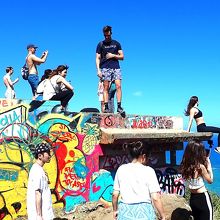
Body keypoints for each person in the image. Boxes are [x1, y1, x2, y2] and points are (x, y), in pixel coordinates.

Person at [112, 141, 166, 220]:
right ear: (143, 156)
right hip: (145, 213)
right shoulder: (149, 171)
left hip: (125, 213)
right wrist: (163, 216)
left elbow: (115, 194)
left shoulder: (121, 169)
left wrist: (115, 210)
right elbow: (155, 198)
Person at [96, 25, 125, 116]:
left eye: (108, 35)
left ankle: (119, 106)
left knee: (118, 86)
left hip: (115, 67)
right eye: (105, 35)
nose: (107, 37)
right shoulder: (100, 44)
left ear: (111, 33)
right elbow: (97, 58)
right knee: (106, 87)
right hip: (105, 67)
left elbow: (122, 57)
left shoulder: (116, 43)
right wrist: (98, 70)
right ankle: (106, 106)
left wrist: (113, 55)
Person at [180, 140, 213, 220]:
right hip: (203, 198)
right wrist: (209, 165)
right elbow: (210, 180)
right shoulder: (200, 167)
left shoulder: (184, 166)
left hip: (193, 199)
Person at [26, 142, 54, 220]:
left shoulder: (39, 169)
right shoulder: (36, 171)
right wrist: (39, 215)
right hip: (41, 215)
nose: (49, 155)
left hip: (44, 213)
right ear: (40, 156)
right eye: (47, 153)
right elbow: (37, 193)